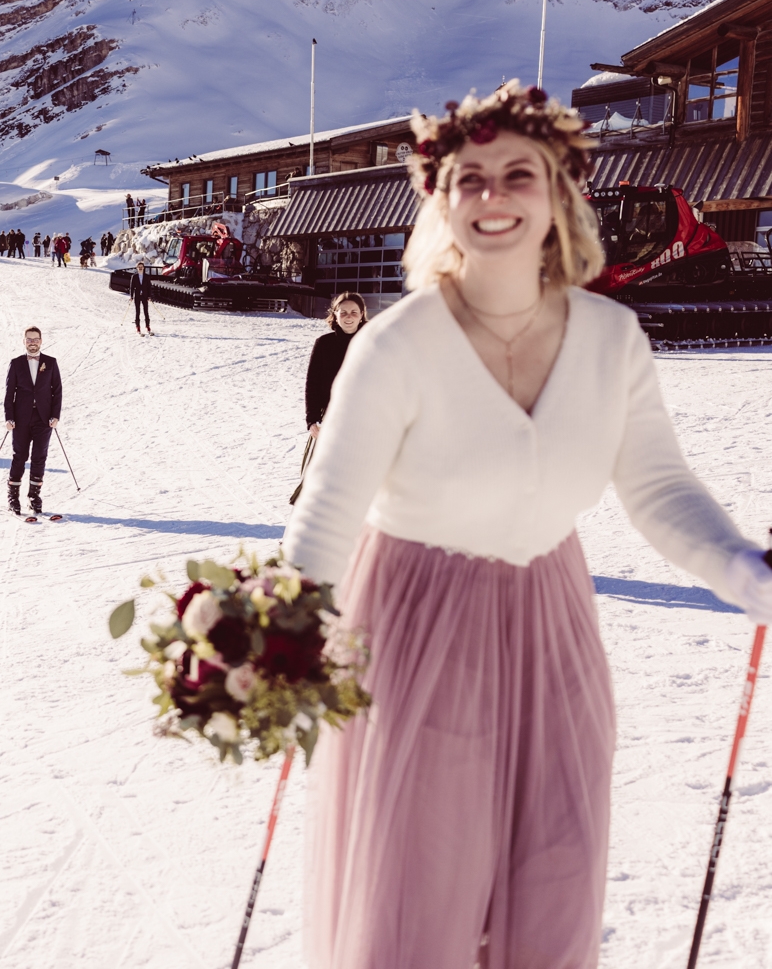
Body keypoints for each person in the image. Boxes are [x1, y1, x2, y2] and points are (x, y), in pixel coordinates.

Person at [285, 81, 772, 969]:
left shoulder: (610, 338)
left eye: (521, 174)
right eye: (472, 178)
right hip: (412, 625)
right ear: (440, 197)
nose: (495, 194)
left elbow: (658, 487)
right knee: (420, 894)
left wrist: (747, 572)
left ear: (559, 194)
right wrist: (280, 630)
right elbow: (329, 504)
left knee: (554, 877)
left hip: (552, 623)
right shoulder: (394, 345)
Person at [291, 292, 366, 504]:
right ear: (335, 314)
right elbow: (312, 384)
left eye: (354, 312)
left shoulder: (374, 343)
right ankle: (305, 533)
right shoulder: (324, 344)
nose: (348, 317)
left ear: (362, 315)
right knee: (317, 478)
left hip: (365, 421)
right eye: (343, 313)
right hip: (329, 420)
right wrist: (311, 420)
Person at [2, 326, 62, 517]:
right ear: (24, 341)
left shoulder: (51, 363)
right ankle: (13, 498)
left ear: (41, 341)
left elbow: (57, 391)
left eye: (36, 339)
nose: (32, 342)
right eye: (29, 339)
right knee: (19, 456)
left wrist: (55, 415)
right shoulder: (16, 363)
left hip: (44, 419)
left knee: (39, 457)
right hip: (20, 419)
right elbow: (9, 393)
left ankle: (34, 497)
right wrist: (9, 417)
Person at [129, 261, 153, 336]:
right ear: (137, 268)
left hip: (145, 296)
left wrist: (149, 296)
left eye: (141, 267)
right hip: (137, 296)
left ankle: (148, 326)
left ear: (143, 268)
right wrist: (131, 297)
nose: (140, 268)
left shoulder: (147, 276)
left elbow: (149, 287)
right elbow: (132, 287)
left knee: (146, 312)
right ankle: (138, 327)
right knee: (137, 312)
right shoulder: (134, 276)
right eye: (139, 267)